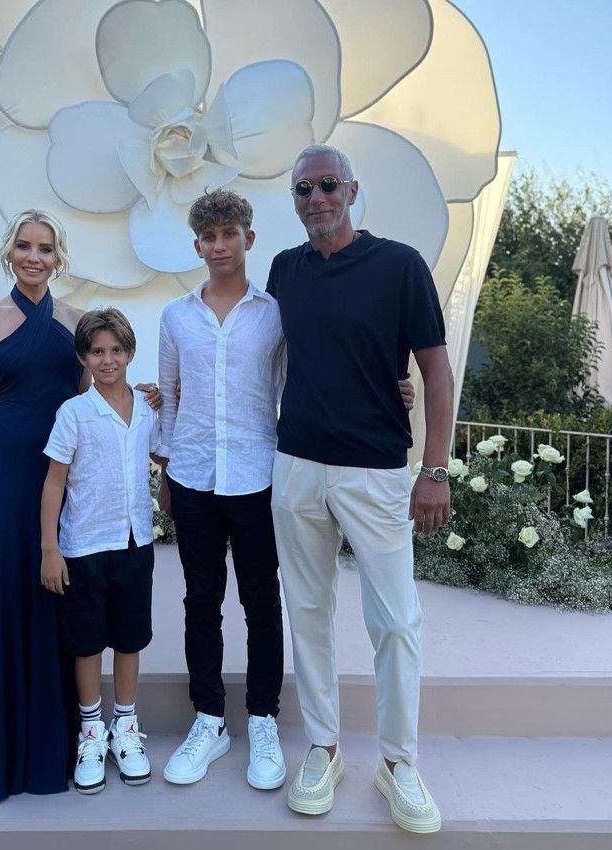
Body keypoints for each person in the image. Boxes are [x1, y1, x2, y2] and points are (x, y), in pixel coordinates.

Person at [268, 144, 453, 833]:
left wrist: (434, 469)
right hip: (296, 466)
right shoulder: (284, 270)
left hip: (375, 469)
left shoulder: (399, 265)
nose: (315, 197)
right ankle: (323, 748)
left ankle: (398, 762)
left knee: (396, 621)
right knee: (308, 612)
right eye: (302, 189)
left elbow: (434, 370)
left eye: (327, 185)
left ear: (350, 190)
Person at [0, 210, 160, 802]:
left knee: (65, 596)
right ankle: (12, 749)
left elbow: (95, 395)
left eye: (45, 248)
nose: (34, 257)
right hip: (3, 471)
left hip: (66, 475)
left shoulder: (76, 324)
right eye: (24, 246)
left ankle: (76, 735)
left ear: (59, 257)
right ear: (9, 252)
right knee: (9, 596)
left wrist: (144, 395)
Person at [156, 190, 287, 790]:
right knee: (201, 601)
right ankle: (209, 720)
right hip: (193, 475)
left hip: (257, 475)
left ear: (248, 239)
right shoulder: (176, 316)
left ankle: (262, 719)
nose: (219, 245)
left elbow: (292, 388)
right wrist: (166, 468)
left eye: (229, 233)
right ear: (197, 246)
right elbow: (169, 396)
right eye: (208, 237)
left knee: (261, 604)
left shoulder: (274, 314)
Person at [41, 308, 159, 794]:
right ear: (83, 358)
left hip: (135, 543)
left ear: (130, 353)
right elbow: (54, 482)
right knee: (87, 643)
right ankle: (91, 732)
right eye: (96, 352)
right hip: (84, 547)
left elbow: (162, 452)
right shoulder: (73, 413)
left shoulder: (148, 408)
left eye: (116, 350)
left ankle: (125, 727)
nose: (107, 360)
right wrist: (50, 548)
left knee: (129, 639)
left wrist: (164, 396)